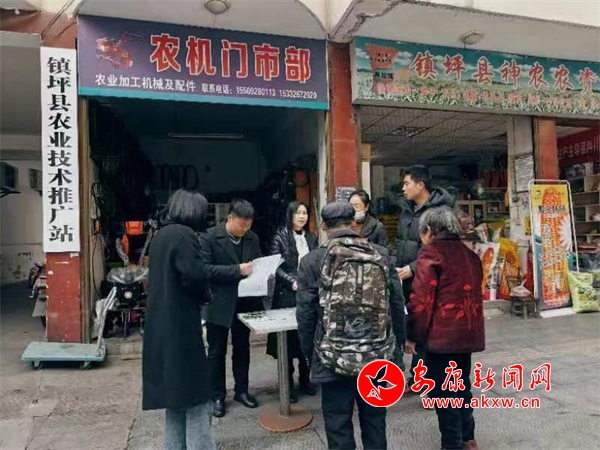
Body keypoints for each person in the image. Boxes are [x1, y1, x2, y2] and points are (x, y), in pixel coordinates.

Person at [296, 202, 405, 450]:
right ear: (354, 224)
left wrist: (310, 353)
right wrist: (397, 348)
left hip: (332, 355)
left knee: (337, 423)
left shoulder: (312, 261)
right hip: (377, 355)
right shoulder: (381, 254)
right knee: (375, 420)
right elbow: (396, 305)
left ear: (324, 226)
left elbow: (305, 315)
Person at [142, 189, 216, 450]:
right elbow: (194, 276)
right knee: (197, 400)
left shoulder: (161, 236)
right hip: (181, 328)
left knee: (175, 401)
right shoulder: (184, 235)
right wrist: (207, 295)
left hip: (161, 326)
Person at [405, 207, 484, 450]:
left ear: (429, 231)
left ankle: (452, 444)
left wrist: (412, 335)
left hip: (441, 339)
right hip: (466, 334)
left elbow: (421, 301)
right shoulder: (470, 255)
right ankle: (468, 437)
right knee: (461, 386)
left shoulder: (431, 254)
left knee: (444, 394)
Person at [200, 200, 263, 418]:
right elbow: (205, 270)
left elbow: (258, 263)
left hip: (245, 301)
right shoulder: (209, 237)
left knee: (242, 347)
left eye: (248, 225)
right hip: (218, 302)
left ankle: (242, 391)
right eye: (241, 225)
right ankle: (217, 396)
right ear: (230, 218)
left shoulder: (253, 238)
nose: (245, 229)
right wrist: (236, 270)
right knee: (216, 352)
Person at [395, 165, 454, 389]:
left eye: (406, 183)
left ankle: (430, 380)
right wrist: (395, 264)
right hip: (408, 280)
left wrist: (412, 267)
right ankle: (419, 376)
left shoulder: (441, 212)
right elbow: (400, 241)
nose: (403, 188)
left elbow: (439, 248)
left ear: (420, 185)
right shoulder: (407, 210)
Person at [266, 201, 318, 403]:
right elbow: (275, 266)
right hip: (286, 295)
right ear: (290, 215)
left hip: (308, 294)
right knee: (286, 342)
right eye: (298, 213)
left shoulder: (312, 238)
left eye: (305, 213)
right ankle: (287, 384)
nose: (302, 216)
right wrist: (291, 282)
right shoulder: (279, 237)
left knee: (306, 337)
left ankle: (306, 379)